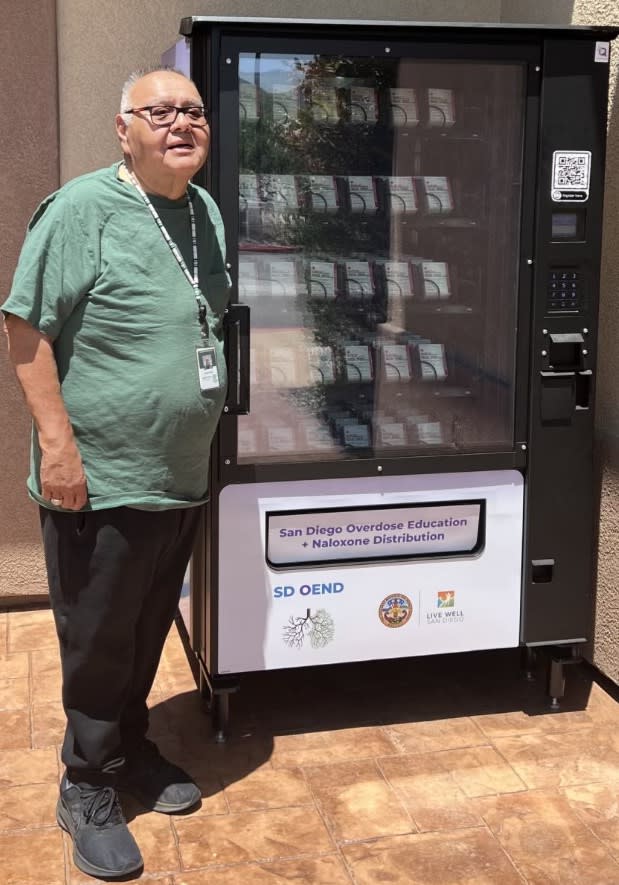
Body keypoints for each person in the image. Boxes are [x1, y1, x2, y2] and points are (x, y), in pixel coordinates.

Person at [2, 67, 231, 880]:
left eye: (194, 111)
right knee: (98, 639)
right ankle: (86, 784)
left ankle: (129, 748)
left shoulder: (202, 212)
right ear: (122, 127)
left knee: (142, 631)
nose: (181, 124)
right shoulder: (80, 209)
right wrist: (59, 449)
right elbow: (25, 328)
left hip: (178, 474)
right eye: (161, 111)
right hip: (98, 477)